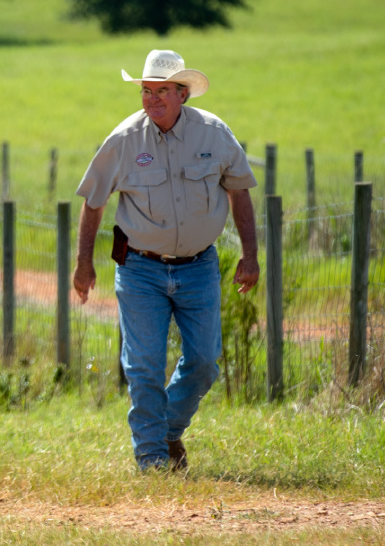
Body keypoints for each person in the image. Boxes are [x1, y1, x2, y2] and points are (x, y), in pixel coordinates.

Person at [72, 49, 260, 471]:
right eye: (145, 91)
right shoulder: (123, 140)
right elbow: (93, 202)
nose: (152, 99)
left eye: (161, 91)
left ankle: (166, 431)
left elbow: (240, 192)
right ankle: (152, 458)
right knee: (143, 365)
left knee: (203, 364)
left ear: (182, 94)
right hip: (139, 269)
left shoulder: (214, 134)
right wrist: (84, 263)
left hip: (199, 266)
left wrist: (250, 255)